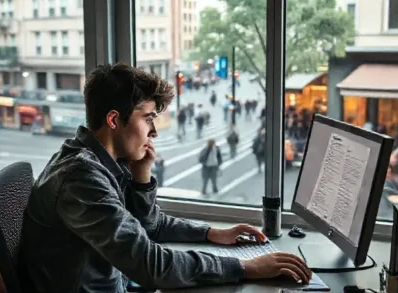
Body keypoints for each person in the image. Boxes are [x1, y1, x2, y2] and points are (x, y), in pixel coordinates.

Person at [17, 63, 311, 293]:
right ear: (114, 120)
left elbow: (148, 227)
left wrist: (210, 233)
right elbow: (150, 265)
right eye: (147, 118)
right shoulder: (81, 180)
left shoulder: (100, 162)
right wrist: (246, 267)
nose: (154, 132)